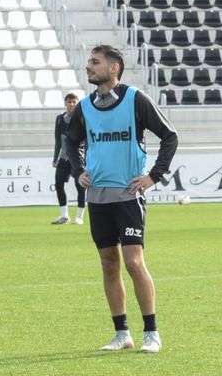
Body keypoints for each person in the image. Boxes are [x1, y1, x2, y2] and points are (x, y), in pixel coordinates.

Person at [61, 44, 179, 352]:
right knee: (108, 263)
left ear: (114, 68)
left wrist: (154, 176)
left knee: (134, 262)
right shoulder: (85, 107)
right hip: (98, 199)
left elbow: (170, 136)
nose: (88, 66)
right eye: (88, 61)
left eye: (95, 62)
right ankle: (121, 334)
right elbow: (70, 143)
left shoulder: (136, 100)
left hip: (128, 197)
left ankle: (151, 333)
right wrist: (79, 171)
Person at [51, 92, 86, 225]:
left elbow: (86, 140)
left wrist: (86, 159)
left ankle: (79, 216)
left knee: (80, 186)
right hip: (64, 158)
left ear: (77, 104)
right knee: (58, 184)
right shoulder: (60, 119)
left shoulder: (82, 118)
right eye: (69, 102)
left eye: (74, 102)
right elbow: (58, 140)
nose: (71, 104)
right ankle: (64, 215)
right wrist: (55, 158)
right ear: (65, 103)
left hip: (77, 158)